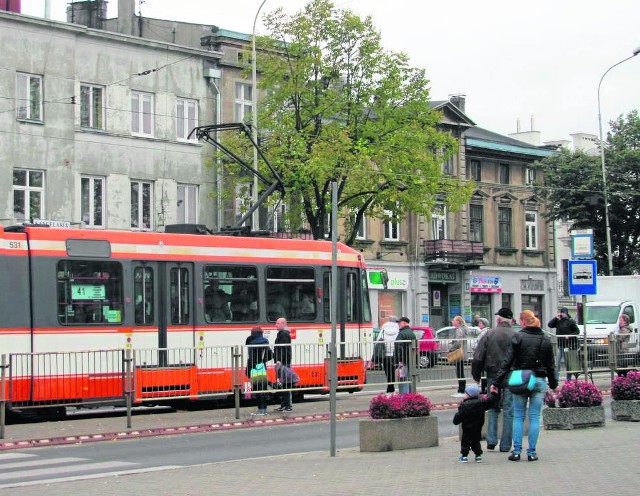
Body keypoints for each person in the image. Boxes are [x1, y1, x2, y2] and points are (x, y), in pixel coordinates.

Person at [495, 310, 557, 462]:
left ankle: (516, 451)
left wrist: (496, 382)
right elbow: (551, 365)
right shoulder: (545, 339)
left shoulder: (518, 337)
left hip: (521, 379)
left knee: (518, 416)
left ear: (523, 321)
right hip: (539, 380)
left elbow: (507, 361)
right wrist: (554, 384)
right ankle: (532, 452)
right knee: (535, 417)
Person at [471, 307, 516, 453]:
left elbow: (478, 357)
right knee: (509, 410)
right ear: (511, 321)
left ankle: (491, 440)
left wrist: (476, 376)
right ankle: (506, 445)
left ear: (498, 319)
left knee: (492, 407)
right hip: (511, 375)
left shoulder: (489, 334)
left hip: (492, 374)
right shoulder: (516, 335)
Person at [452, 384, 498, 463]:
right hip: (478, 427)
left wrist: (455, 421)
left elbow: (459, 416)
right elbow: (490, 402)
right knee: (476, 441)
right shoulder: (481, 403)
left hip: (466, 427)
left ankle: (464, 456)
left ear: (469, 395)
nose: (464, 395)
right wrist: (493, 393)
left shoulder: (464, 405)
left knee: (465, 441)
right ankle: (478, 455)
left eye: (466, 393)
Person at [245, 326, 273, 416]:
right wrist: (263, 360)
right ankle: (264, 409)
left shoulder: (252, 343)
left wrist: (248, 369)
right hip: (262, 367)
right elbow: (270, 355)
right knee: (263, 389)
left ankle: (260, 410)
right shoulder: (265, 342)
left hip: (255, 367)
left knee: (258, 389)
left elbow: (251, 359)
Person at [547, 307, 580, 381]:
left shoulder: (571, 321)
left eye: (564, 313)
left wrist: (570, 335)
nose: (563, 314)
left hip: (569, 345)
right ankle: (556, 378)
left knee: (568, 363)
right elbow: (549, 325)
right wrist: (555, 318)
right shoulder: (558, 321)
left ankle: (568, 379)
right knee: (557, 362)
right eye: (562, 313)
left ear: (567, 313)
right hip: (561, 345)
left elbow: (577, 331)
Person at [273, 317, 294, 411]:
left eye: (277, 323)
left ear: (283, 324)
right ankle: (284, 405)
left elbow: (283, 348)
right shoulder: (283, 333)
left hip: (283, 362)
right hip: (283, 362)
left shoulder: (284, 334)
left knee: (285, 384)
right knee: (283, 383)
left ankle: (287, 405)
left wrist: (279, 360)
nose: (275, 325)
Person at [395, 317, 417, 395]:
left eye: (399, 323)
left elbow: (398, 347)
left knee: (402, 380)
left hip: (403, 361)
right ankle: (411, 396)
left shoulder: (402, 334)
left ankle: (403, 398)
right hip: (410, 360)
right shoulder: (412, 333)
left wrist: (400, 360)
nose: (398, 324)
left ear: (404, 323)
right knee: (409, 379)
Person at [380, 315, 400, 393]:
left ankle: (390, 387)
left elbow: (379, 340)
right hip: (394, 354)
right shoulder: (398, 330)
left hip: (385, 354)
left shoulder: (383, 329)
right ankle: (391, 387)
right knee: (392, 371)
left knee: (387, 371)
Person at [450, 315, 469, 398]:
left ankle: (461, 390)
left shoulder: (458, 330)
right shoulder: (463, 329)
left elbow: (457, 342)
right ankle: (461, 389)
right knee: (460, 371)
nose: (452, 322)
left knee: (459, 372)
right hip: (462, 353)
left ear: (458, 322)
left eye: (454, 320)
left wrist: (451, 349)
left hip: (459, 353)